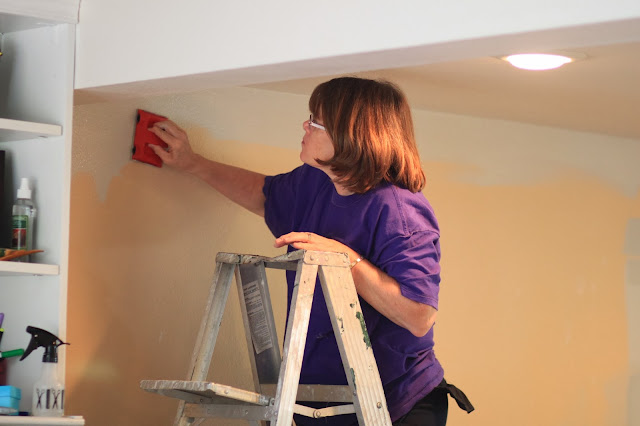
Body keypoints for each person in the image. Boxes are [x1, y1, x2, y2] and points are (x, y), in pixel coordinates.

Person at [148, 76, 473, 425]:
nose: (305, 126)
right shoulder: (314, 181)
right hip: (323, 402)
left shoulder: (399, 209)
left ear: (352, 135)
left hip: (396, 404)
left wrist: (345, 261)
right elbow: (264, 195)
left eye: (316, 121)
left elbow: (419, 316)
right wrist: (193, 163)